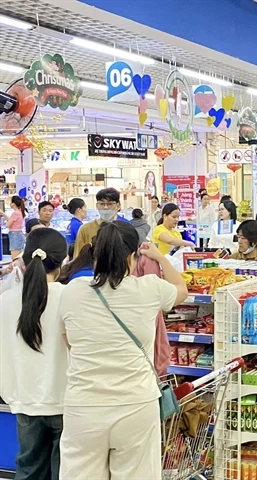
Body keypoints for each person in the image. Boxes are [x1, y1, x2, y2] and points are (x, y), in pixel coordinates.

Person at [58, 221, 188, 478]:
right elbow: (181, 289)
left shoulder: (73, 291)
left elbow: (68, 341)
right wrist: (160, 257)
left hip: (84, 405)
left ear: (95, 254)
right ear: (132, 256)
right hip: (136, 404)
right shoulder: (149, 288)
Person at [0, 228, 68, 480]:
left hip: (24, 400)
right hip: (66, 401)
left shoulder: (6, 301)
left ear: (25, 260)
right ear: (62, 261)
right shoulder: (71, 297)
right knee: (65, 472)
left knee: (28, 469)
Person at [74, 188, 123, 258]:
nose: (105, 207)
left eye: (110, 204)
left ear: (118, 206)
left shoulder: (124, 229)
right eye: (102, 204)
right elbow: (77, 258)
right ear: (97, 205)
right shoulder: (85, 229)